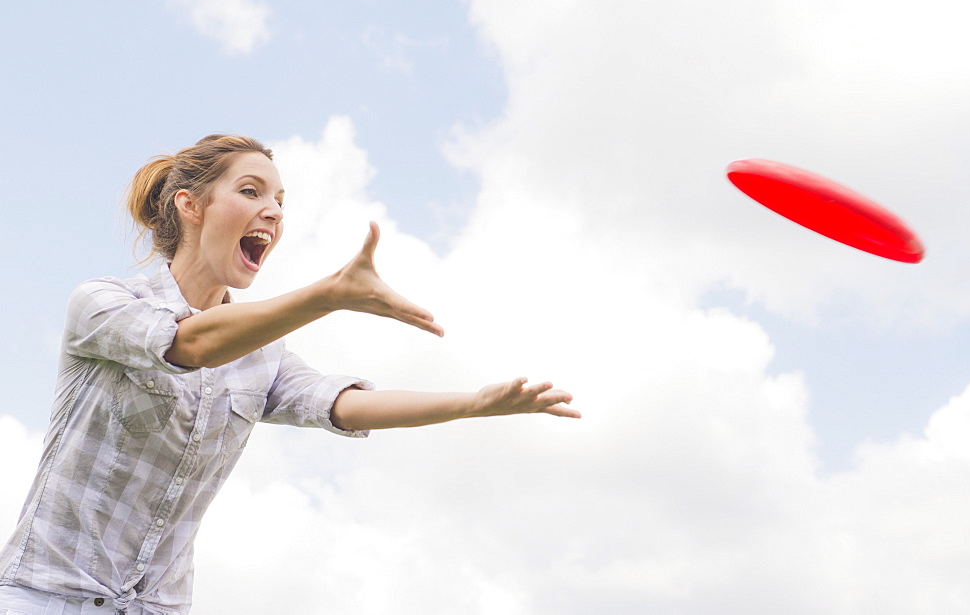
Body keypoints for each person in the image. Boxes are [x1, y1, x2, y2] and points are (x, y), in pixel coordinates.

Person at [0, 134, 579, 615]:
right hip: (44, 596)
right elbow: (188, 344)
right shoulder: (102, 304)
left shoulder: (263, 354)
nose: (273, 211)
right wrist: (329, 295)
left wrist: (473, 404)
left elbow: (342, 405)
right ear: (189, 205)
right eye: (251, 192)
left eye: (280, 199)